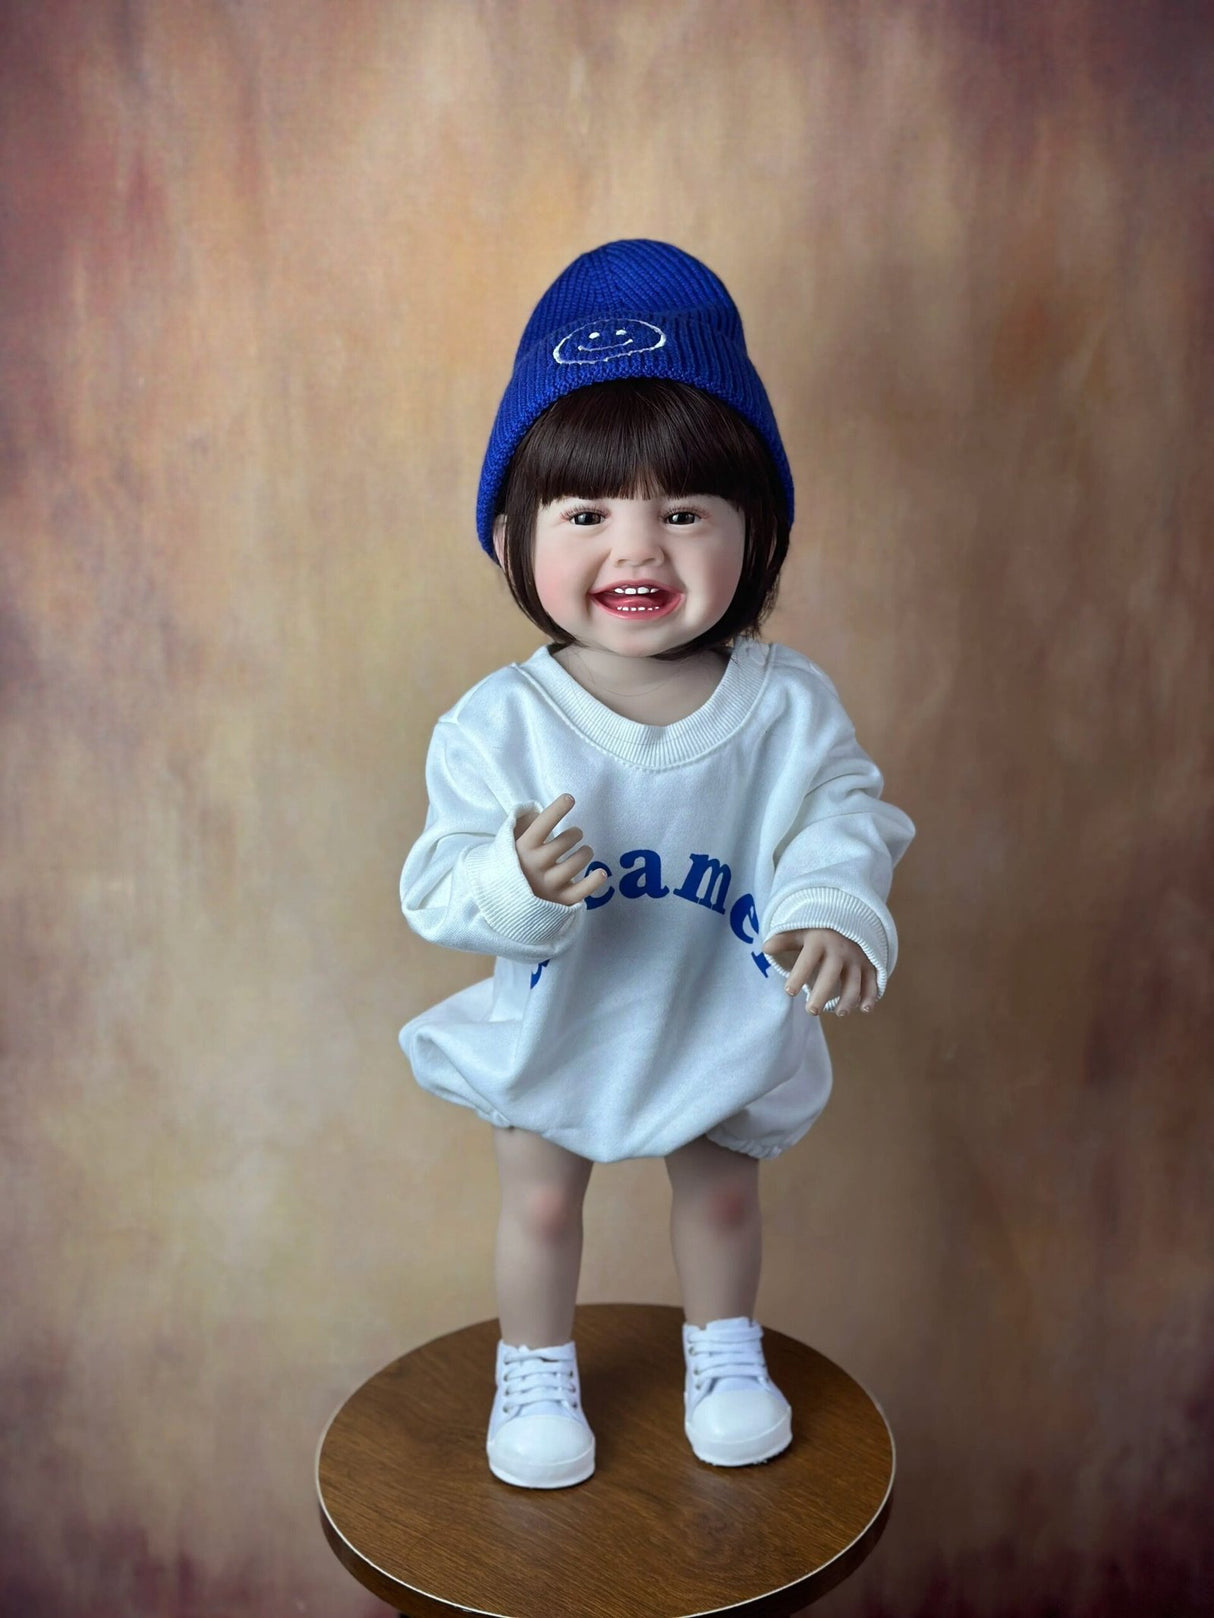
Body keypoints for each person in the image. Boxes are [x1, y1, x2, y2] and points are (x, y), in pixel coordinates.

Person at [399, 239, 915, 1490]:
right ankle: (534, 1369)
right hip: (564, 1015)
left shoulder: (782, 707)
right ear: (515, 534)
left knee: (724, 1200)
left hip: (717, 1007)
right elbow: (436, 882)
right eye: (586, 515)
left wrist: (829, 905)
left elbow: (841, 811)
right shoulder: (498, 724)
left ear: (756, 532)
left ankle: (723, 1350)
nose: (637, 550)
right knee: (537, 1203)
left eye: (682, 512)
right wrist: (515, 877)